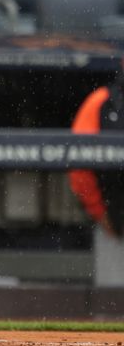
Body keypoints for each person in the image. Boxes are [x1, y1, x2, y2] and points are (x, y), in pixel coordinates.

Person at [69, 70, 124, 286]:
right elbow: (79, 164)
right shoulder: (102, 102)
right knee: (112, 303)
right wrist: (100, 211)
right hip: (115, 219)